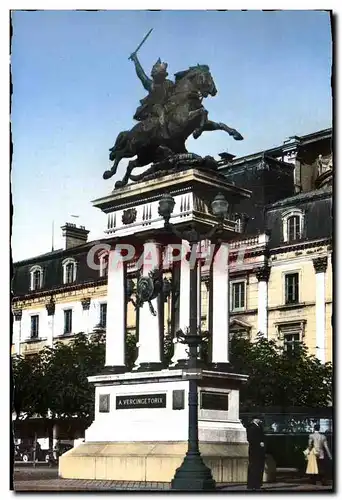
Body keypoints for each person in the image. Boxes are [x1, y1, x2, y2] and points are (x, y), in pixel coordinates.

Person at [129, 52, 175, 131]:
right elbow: (141, 74)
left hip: (168, 105)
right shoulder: (151, 85)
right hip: (154, 108)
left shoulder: (169, 83)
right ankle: (164, 132)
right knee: (160, 111)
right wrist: (135, 60)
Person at [246, 417, 266, 490]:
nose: (260, 420)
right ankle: (252, 484)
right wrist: (259, 443)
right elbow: (250, 438)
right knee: (254, 467)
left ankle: (257, 484)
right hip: (254, 450)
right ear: (255, 419)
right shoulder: (251, 427)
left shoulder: (259, 426)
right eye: (258, 419)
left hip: (259, 450)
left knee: (259, 467)